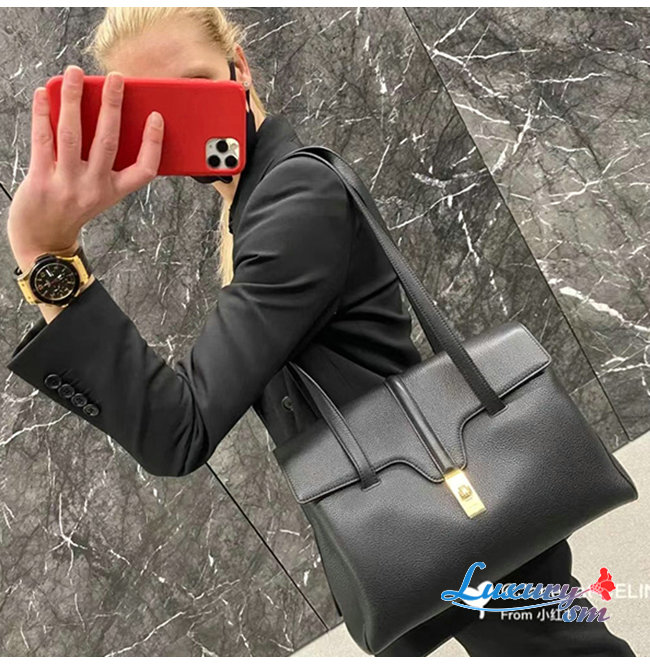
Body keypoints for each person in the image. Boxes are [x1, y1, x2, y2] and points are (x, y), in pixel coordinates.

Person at [4, 7, 635, 658]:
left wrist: (48, 257)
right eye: (154, 108)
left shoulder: (293, 196)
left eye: (196, 86)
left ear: (240, 68)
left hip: (445, 490)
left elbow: (178, 428)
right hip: (420, 490)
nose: (179, 119)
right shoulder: (257, 197)